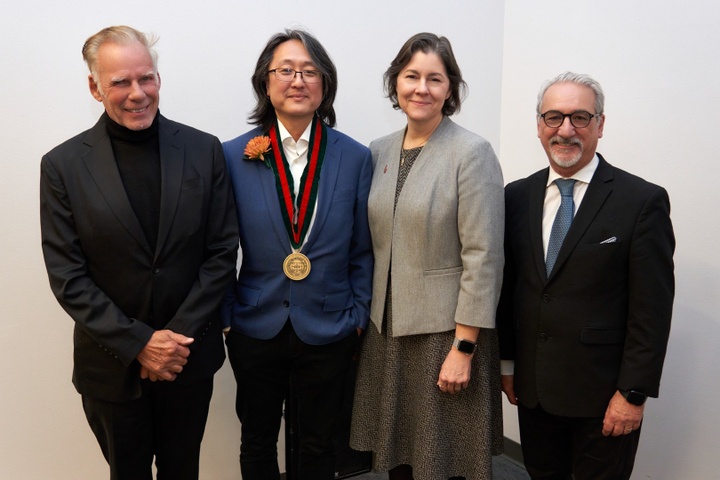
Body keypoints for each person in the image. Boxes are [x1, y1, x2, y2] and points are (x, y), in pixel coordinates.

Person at [39, 26, 238, 480]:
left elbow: (222, 251)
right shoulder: (62, 166)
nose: (137, 93)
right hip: (111, 367)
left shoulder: (203, 149)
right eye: (121, 82)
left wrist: (173, 342)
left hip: (187, 359)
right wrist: (140, 344)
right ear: (94, 87)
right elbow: (67, 276)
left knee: (182, 470)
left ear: (158, 78)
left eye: (146, 78)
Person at [497, 72, 675, 480]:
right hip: (535, 391)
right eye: (553, 117)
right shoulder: (516, 196)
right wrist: (507, 365)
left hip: (604, 397)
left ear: (600, 125)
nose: (565, 130)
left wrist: (633, 394)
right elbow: (511, 292)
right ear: (539, 126)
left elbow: (652, 309)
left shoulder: (641, 201)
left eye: (579, 117)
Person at [349, 32, 505, 480]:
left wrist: (464, 347)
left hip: (445, 335)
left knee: (445, 461)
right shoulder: (378, 150)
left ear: (450, 89)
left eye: (434, 79)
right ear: (395, 83)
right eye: (411, 76)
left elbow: (484, 256)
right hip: (388, 330)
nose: (422, 88)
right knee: (399, 457)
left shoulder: (471, 153)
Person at [221, 29, 373, 480]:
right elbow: (219, 247)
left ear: (325, 84)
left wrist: (358, 315)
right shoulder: (232, 156)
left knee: (319, 443)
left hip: (330, 326)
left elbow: (363, 248)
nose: (297, 80)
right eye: (285, 70)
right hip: (255, 323)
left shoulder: (355, 157)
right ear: (265, 83)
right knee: (257, 440)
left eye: (310, 71)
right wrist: (228, 314)